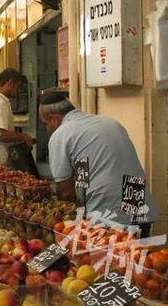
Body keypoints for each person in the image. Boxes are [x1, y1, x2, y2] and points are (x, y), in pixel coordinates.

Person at [39, 93, 157, 234]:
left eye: (45, 123)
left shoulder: (61, 135)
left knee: (113, 248)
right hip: (137, 202)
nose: (47, 129)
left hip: (107, 214)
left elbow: (65, 192)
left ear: (54, 118)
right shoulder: (110, 123)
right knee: (140, 247)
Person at [0, 68, 36, 170]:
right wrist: (23, 137)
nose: (18, 91)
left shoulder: (2, 101)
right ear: (10, 83)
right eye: (18, 87)